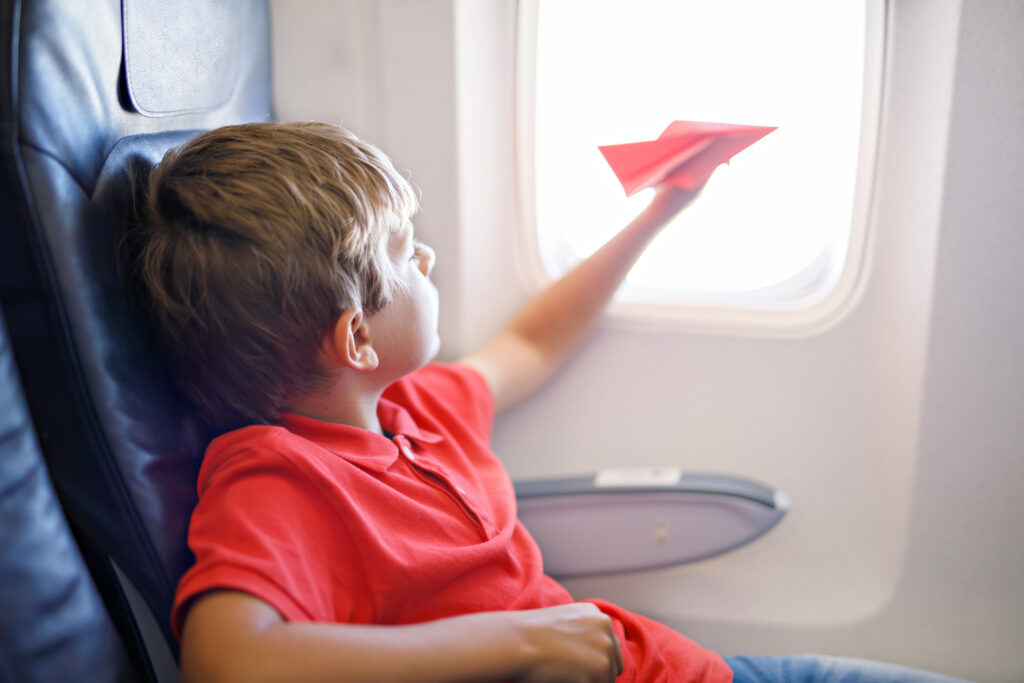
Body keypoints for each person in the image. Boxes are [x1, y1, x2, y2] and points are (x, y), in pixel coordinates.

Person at [128, 121, 970, 683]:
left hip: (690, 666)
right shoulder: (278, 477)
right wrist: (525, 636)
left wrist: (660, 212)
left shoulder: (415, 406)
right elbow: (228, 659)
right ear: (353, 339)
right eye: (403, 248)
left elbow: (531, 343)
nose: (425, 257)